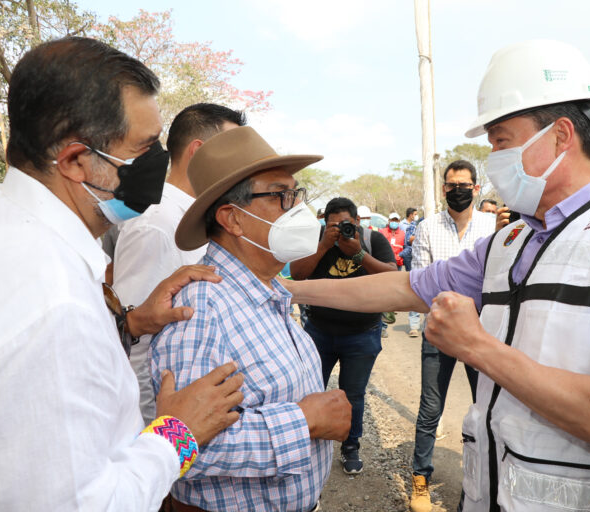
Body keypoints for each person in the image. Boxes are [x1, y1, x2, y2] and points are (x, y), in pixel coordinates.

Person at [284, 40, 590, 512]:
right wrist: (285, 288)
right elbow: (405, 286)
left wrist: (476, 346)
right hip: (489, 493)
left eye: (502, 140)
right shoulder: (511, 241)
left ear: (561, 136)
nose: (493, 156)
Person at [0, 37, 244, 511]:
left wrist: (130, 324)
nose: (159, 163)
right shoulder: (56, 304)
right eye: (145, 148)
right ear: (74, 160)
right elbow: (86, 502)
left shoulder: (22, 237)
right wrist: (178, 434)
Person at [150, 126, 352, 512]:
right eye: (281, 196)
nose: (297, 209)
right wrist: (304, 421)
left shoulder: (267, 291)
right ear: (232, 219)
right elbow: (183, 448)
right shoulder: (200, 310)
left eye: (297, 194)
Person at [114, 103, 245, 423]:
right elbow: (132, 348)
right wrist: (154, 433)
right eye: (235, 150)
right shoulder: (157, 225)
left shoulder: (194, 217)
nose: (244, 163)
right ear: (198, 152)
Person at [407, 159, 494, 512]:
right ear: (444, 190)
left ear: (476, 188)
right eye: (451, 185)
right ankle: (421, 479)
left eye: (464, 184)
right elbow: (420, 281)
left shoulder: (492, 227)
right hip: (439, 331)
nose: (457, 190)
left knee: (485, 408)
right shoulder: (427, 228)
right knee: (431, 408)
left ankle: (483, 479)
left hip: (482, 333)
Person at [290, 197, 397, 474]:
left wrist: (358, 253)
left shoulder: (372, 240)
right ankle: (307, 442)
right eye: (333, 225)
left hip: (362, 333)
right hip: (319, 332)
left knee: (354, 395)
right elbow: (297, 275)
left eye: (346, 224)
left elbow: (391, 277)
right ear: (325, 223)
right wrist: (325, 244)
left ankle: (351, 446)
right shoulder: (318, 240)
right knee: (310, 390)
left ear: (357, 222)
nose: (340, 230)